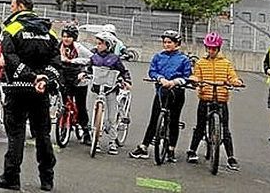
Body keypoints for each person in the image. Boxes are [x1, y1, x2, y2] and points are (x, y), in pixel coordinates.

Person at [0, 0, 60, 192]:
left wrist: (29, 76)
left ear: (20, 6)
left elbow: (10, 57)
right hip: (41, 90)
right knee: (42, 134)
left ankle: (11, 177)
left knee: (16, 133)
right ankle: (47, 179)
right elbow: (56, 62)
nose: (10, 9)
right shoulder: (49, 31)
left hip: (17, 88)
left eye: (12, 6)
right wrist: (43, 78)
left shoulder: (12, 28)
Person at [129, 30, 193, 162]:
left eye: (169, 42)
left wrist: (176, 81)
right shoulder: (158, 56)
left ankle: (171, 149)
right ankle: (144, 146)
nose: (166, 44)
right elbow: (152, 71)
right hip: (161, 92)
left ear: (177, 44)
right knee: (154, 119)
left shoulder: (184, 59)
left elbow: (187, 76)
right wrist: (160, 78)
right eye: (165, 42)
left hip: (177, 92)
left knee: (174, 121)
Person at [185, 31, 243, 170]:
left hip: (221, 99)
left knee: (225, 129)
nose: (211, 51)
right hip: (205, 98)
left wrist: (236, 82)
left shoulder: (226, 63)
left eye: (214, 48)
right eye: (209, 48)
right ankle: (192, 151)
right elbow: (196, 76)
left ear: (218, 49)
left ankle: (230, 157)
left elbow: (232, 77)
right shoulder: (200, 63)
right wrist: (194, 80)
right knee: (199, 126)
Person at [88, 31, 132, 155]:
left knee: (112, 117)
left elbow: (123, 71)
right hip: (97, 88)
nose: (98, 46)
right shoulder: (94, 57)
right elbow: (87, 67)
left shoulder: (114, 59)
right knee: (95, 114)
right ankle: (95, 139)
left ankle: (112, 141)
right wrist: (83, 73)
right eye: (97, 44)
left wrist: (126, 80)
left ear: (108, 45)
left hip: (110, 88)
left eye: (101, 44)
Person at [59, 24, 92, 145]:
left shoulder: (79, 48)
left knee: (81, 106)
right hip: (64, 77)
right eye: (64, 36)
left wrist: (73, 61)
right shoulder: (58, 47)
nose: (66, 39)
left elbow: (91, 59)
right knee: (65, 104)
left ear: (74, 38)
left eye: (69, 37)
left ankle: (86, 132)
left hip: (78, 77)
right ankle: (64, 127)